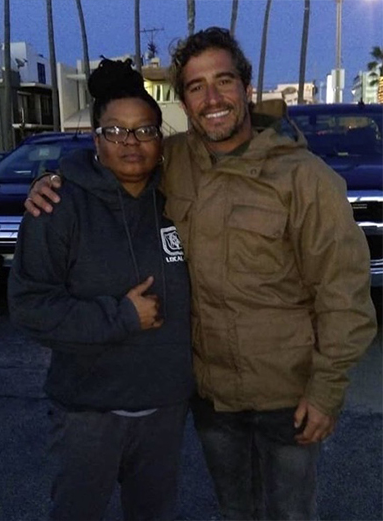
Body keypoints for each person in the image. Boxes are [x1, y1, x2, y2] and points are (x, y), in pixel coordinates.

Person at [25, 27, 377, 520]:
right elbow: (113, 152)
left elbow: (344, 292)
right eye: (196, 86)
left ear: (247, 89)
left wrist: (326, 391)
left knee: (291, 514)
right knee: (234, 510)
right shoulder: (177, 161)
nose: (212, 98)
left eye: (224, 81)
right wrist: (53, 178)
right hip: (212, 397)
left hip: (288, 394)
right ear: (185, 103)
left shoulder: (305, 178)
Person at [8, 59, 194, 521]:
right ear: (96, 140)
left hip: (165, 408)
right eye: (115, 131)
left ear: (160, 139)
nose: (130, 143)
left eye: (144, 131)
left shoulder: (183, 198)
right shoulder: (57, 206)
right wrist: (122, 317)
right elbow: (29, 307)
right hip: (88, 412)